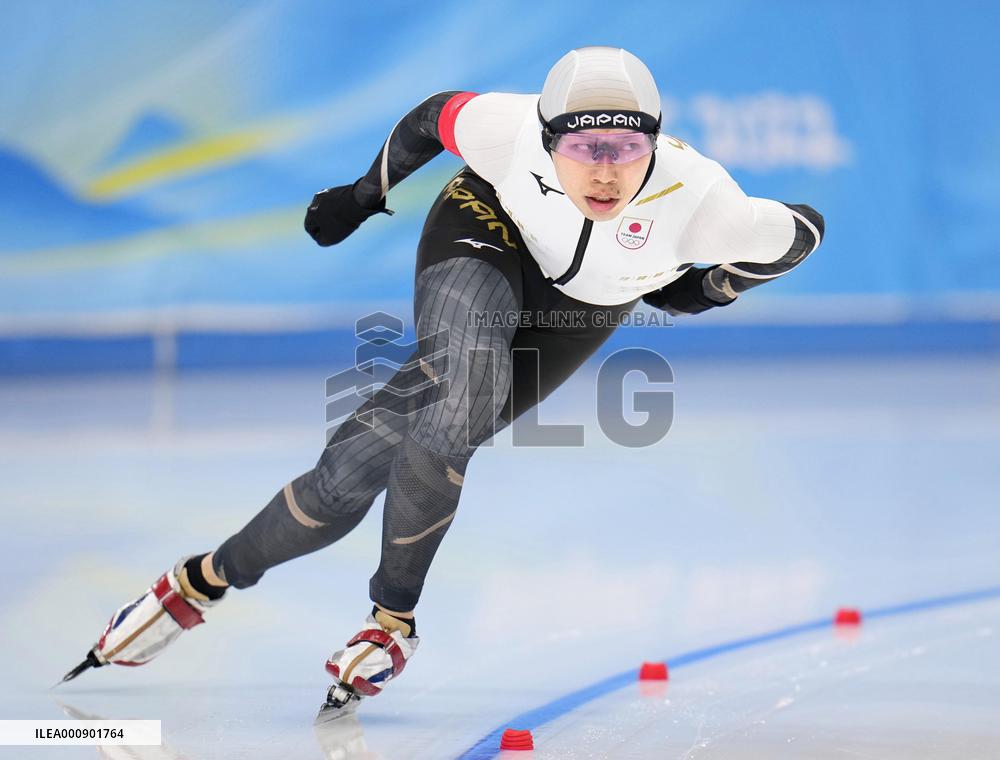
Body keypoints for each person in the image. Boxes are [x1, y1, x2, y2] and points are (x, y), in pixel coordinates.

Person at [64, 47, 824, 714]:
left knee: (344, 480)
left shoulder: (705, 202)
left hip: (589, 305)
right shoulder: (505, 127)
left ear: (654, 143)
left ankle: (201, 579)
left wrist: (711, 287)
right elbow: (432, 117)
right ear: (545, 135)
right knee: (460, 395)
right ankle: (390, 624)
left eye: (625, 148)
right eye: (583, 145)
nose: (603, 169)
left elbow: (803, 229)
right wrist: (364, 195)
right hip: (485, 231)